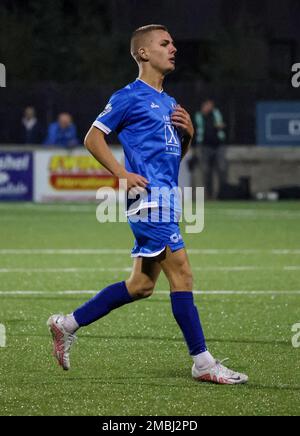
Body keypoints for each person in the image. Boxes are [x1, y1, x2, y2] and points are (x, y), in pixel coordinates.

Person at [47, 25, 248, 385]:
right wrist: (121, 173)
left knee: (140, 285)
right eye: (164, 43)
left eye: (172, 43)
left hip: (167, 197)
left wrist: (190, 136)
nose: (173, 48)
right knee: (182, 273)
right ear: (143, 53)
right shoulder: (128, 96)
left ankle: (67, 324)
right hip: (148, 200)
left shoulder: (171, 104)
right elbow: (93, 138)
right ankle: (202, 362)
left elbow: (173, 159)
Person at [193, 99, 227, 200]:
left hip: (218, 145)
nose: (210, 107)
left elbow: (223, 124)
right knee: (206, 172)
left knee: (222, 169)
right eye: (208, 105)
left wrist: (219, 126)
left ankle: (222, 194)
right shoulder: (199, 116)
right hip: (205, 146)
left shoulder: (216, 114)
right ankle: (210, 195)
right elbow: (196, 129)